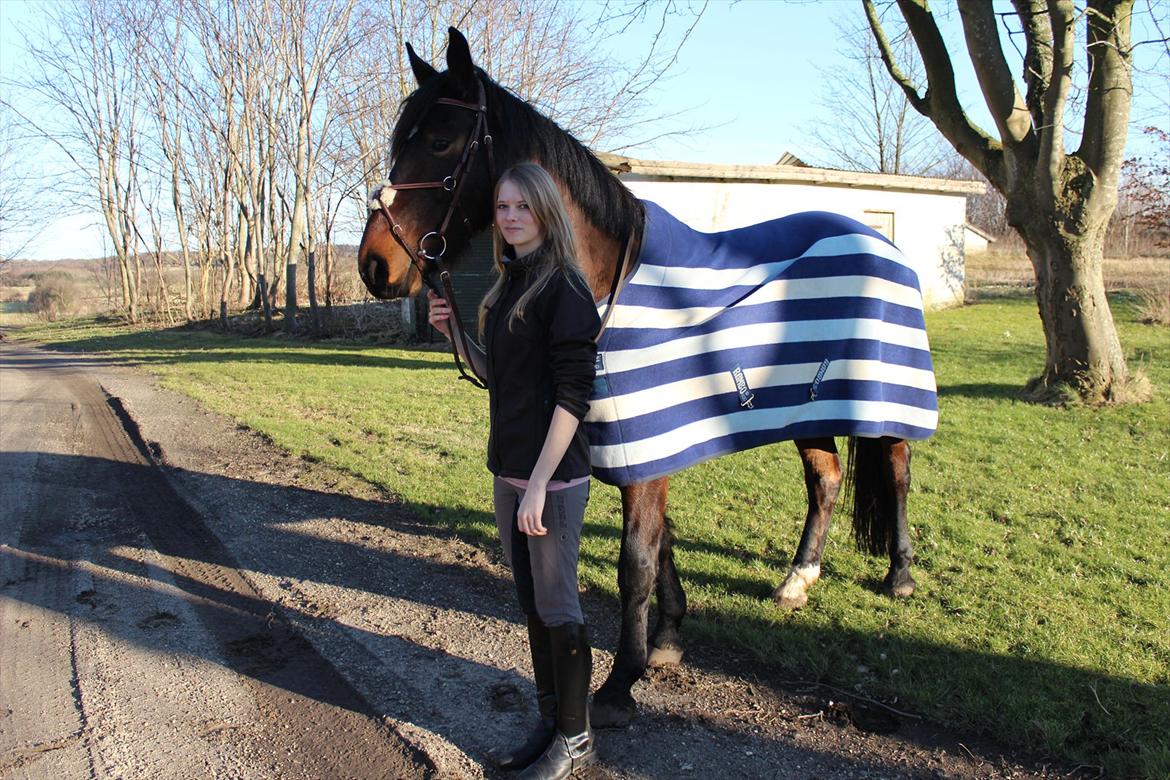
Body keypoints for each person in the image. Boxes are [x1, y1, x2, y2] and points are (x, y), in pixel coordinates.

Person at [427, 162, 601, 779]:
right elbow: (497, 379)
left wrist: (536, 485)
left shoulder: (565, 291)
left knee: (558, 606)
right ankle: (551, 722)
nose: (509, 216)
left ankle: (577, 740)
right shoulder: (506, 289)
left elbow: (573, 398)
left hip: (550, 480)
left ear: (545, 212)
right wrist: (454, 335)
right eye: (502, 207)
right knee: (531, 603)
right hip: (510, 472)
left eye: (522, 206)